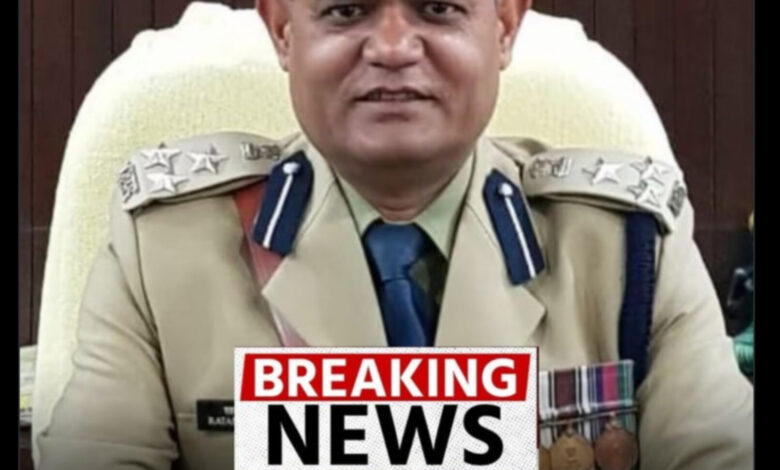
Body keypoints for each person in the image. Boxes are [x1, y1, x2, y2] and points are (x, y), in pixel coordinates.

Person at [37, 0, 753, 469]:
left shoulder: (628, 247)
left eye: (437, 8)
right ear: (283, 30)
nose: (391, 47)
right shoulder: (164, 250)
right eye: (346, 10)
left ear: (504, 26)